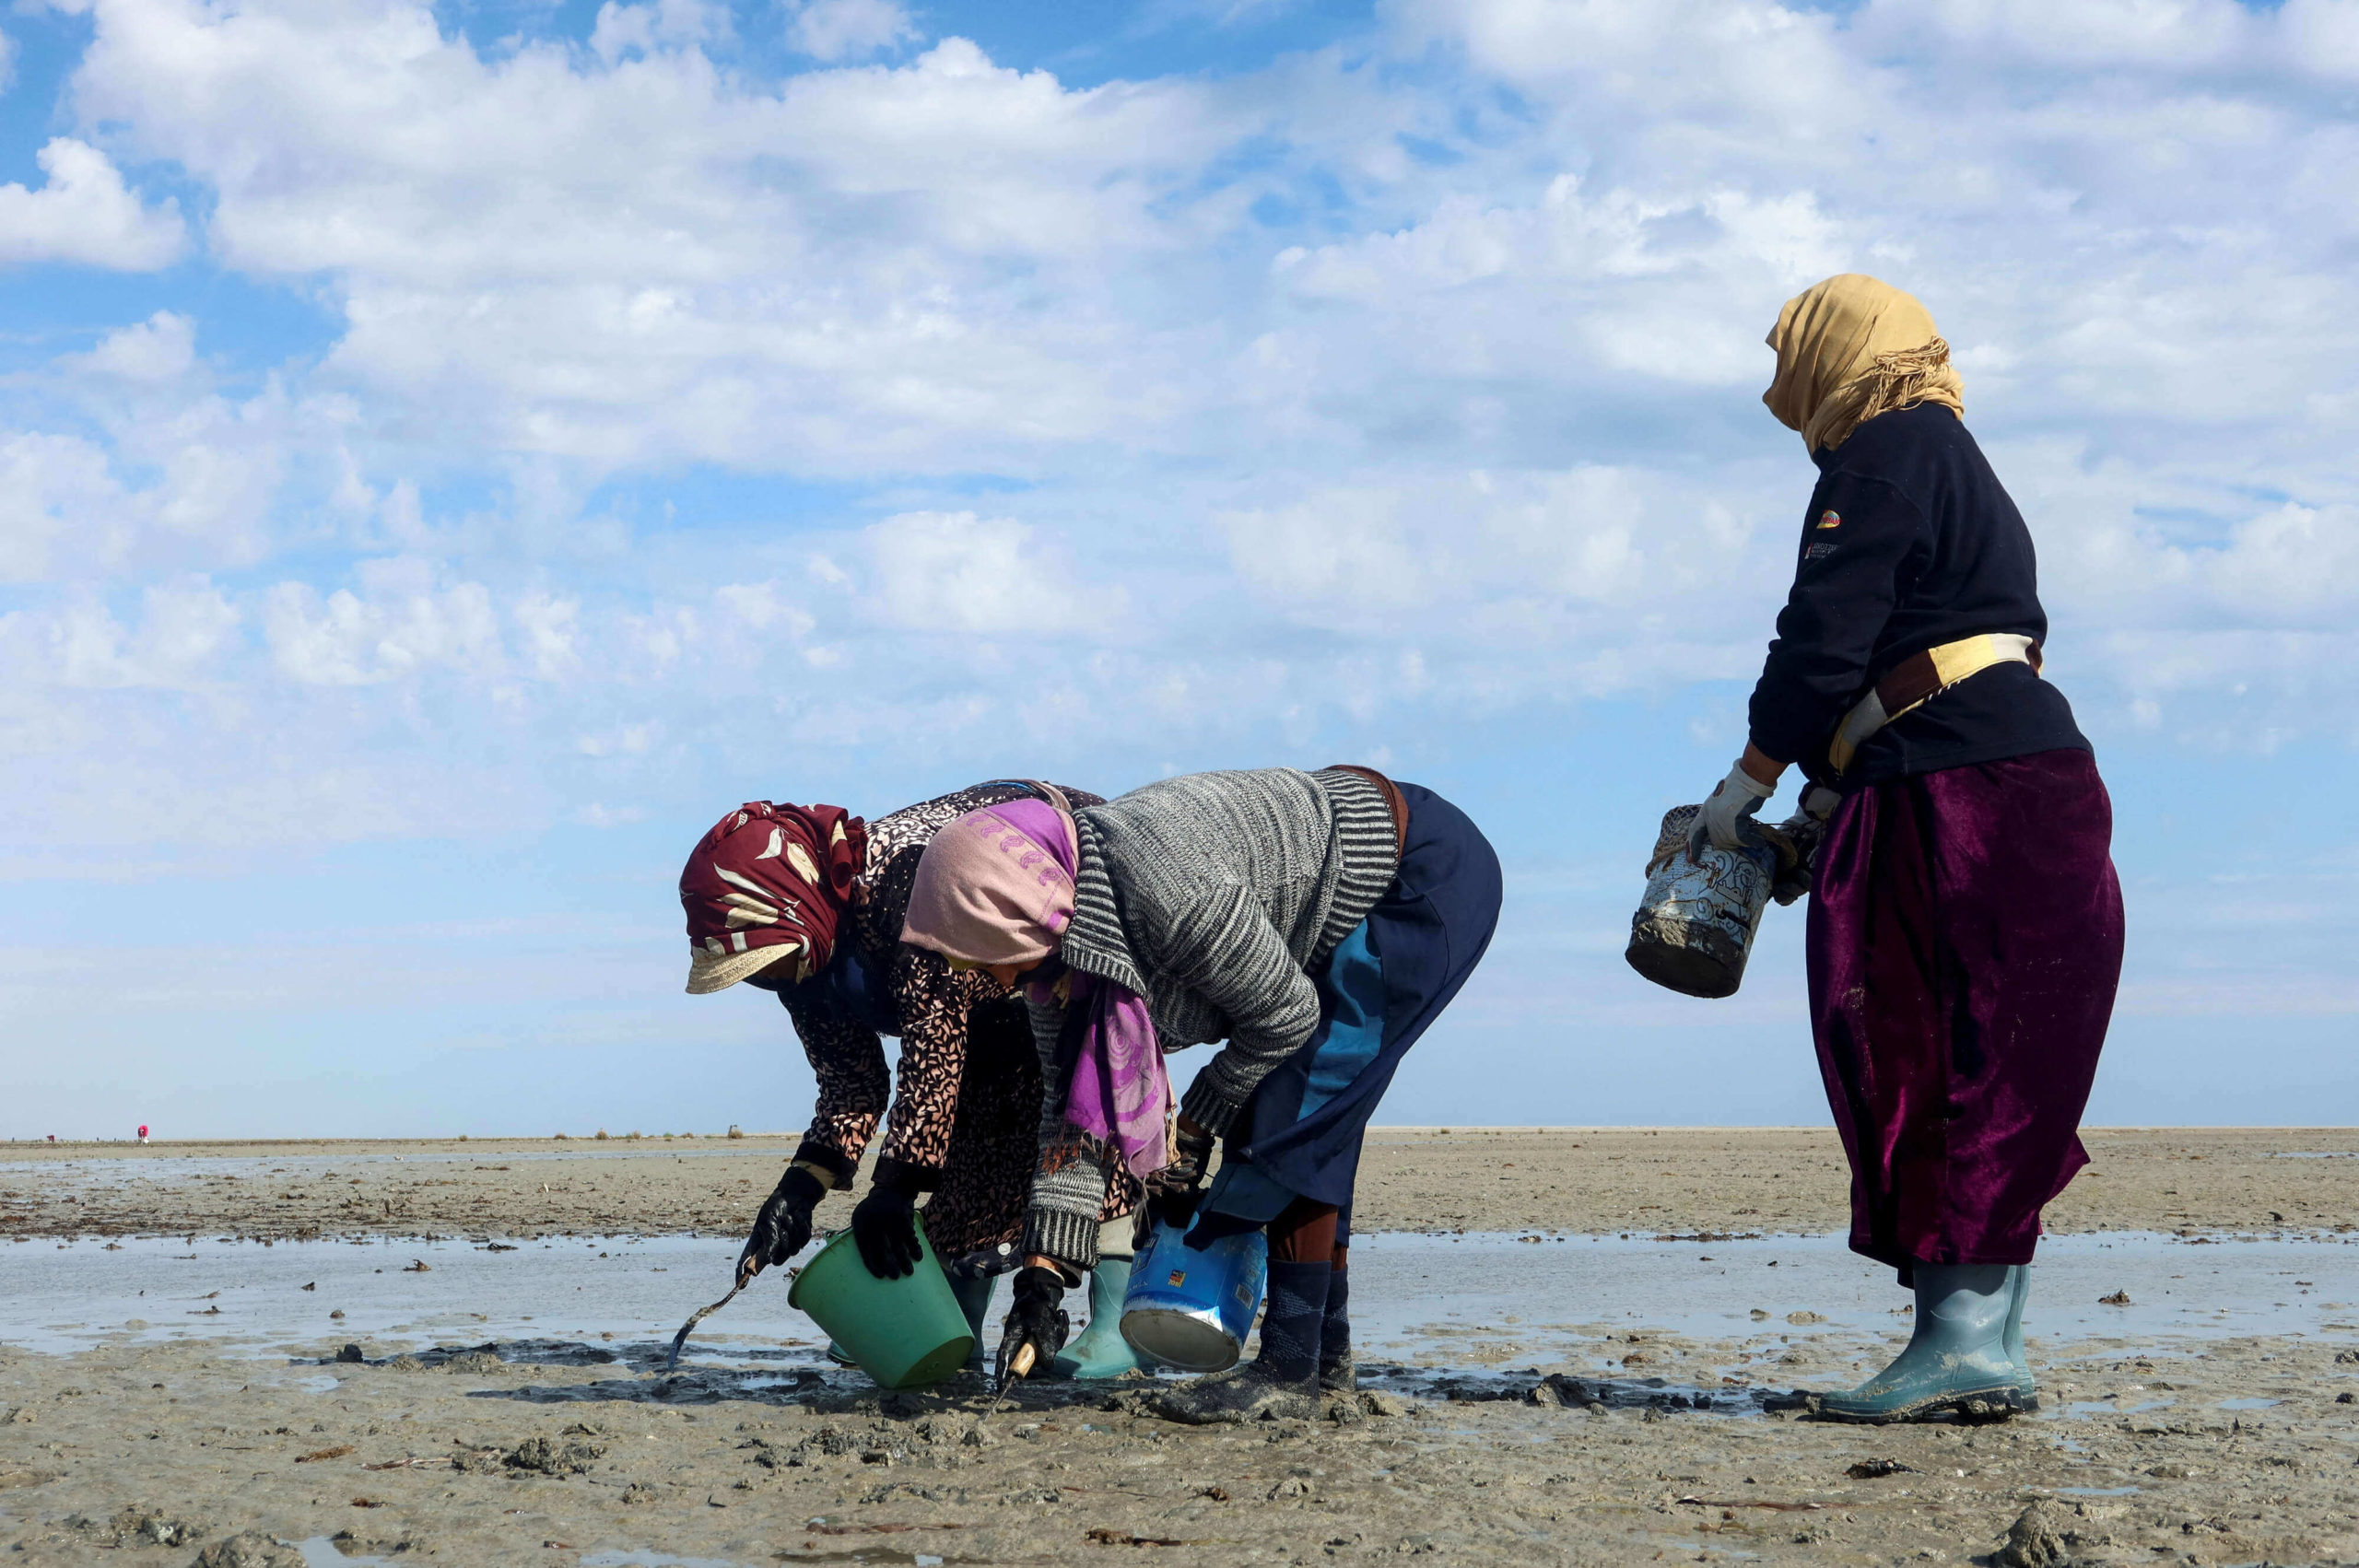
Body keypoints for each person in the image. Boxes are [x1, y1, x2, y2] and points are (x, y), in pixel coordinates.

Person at [1696, 274, 2123, 1423]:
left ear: (1836, 352)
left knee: (1926, 1044)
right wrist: (1830, 805)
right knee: (2002, 1053)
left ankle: (1963, 1343)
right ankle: (1989, 1338)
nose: (1776, 380)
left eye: (1787, 350)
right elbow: (1917, 656)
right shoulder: (1951, 460)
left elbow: (1825, 636)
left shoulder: (1883, 450)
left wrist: (1747, 783)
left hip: (1961, 799)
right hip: (2014, 776)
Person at [901, 766, 1501, 1421]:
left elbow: (1286, 1016)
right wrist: (1041, 1280)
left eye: (971, 955)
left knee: (1289, 1122)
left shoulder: (1169, 889)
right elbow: (1071, 1119)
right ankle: (1327, 1360)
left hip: (1409, 880)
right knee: (1310, 1125)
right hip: (1338, 909)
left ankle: (1288, 1372)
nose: (974, 976)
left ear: (1015, 915)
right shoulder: (1058, 969)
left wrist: (1198, 1123)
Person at [679, 780, 1146, 1378]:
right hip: (980, 1006)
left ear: (792, 900)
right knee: (968, 1149)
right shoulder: (801, 962)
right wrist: (798, 1190)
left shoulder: (897, 889)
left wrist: (894, 1191)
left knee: (1085, 1122)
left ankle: (1116, 1328)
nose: (764, 979)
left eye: (761, 962)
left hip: (1070, 918)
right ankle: (955, 1329)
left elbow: (933, 1057)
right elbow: (852, 1086)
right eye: (751, 971)